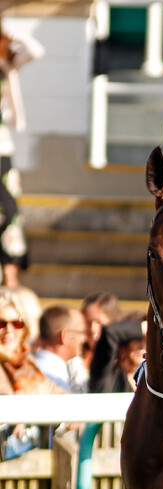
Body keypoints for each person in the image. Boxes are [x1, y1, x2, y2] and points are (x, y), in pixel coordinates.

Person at [0, 20, 44, 288]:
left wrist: (9, 30)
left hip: (2, 150)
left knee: (9, 211)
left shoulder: (6, 68)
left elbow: (35, 50)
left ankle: (10, 275)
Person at [0, 291, 63, 459]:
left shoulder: (28, 362)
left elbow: (57, 392)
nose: (9, 330)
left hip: (32, 465)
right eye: (1, 324)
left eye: (17, 323)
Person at [33, 306, 88, 393]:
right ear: (64, 336)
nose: (84, 339)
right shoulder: (51, 376)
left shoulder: (38, 367)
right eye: (80, 332)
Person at [89, 315, 147, 393]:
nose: (143, 346)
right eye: (137, 339)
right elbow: (110, 332)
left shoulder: (154, 381)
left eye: (147, 340)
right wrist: (146, 327)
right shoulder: (107, 372)